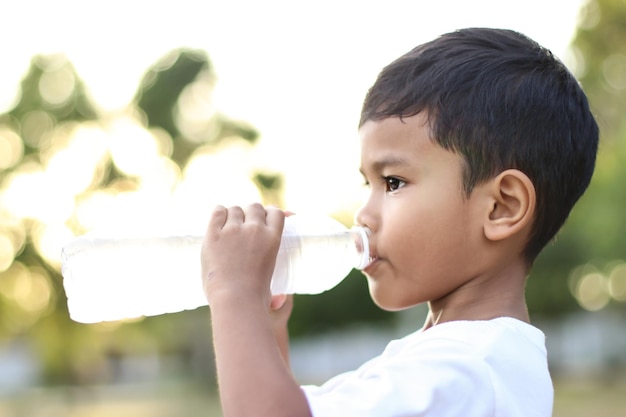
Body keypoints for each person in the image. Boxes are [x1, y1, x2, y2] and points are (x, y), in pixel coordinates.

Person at [200, 27, 599, 417]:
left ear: (501, 207)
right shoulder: (452, 358)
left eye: (393, 182)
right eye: (367, 183)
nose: (363, 215)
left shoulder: (469, 368)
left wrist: (234, 292)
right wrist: (266, 328)